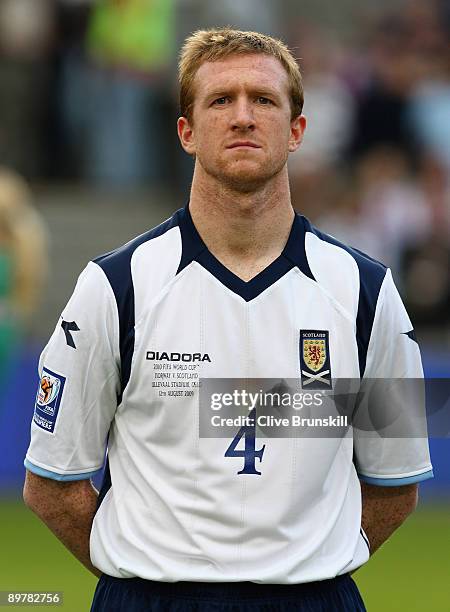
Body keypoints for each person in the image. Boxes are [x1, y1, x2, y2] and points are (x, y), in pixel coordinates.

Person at [23, 28, 433, 612]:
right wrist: (145, 570)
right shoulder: (115, 287)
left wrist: (307, 567)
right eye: (220, 100)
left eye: (263, 100)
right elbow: (51, 486)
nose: (243, 117)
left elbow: (397, 485)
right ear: (186, 132)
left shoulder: (369, 292)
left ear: (297, 131)